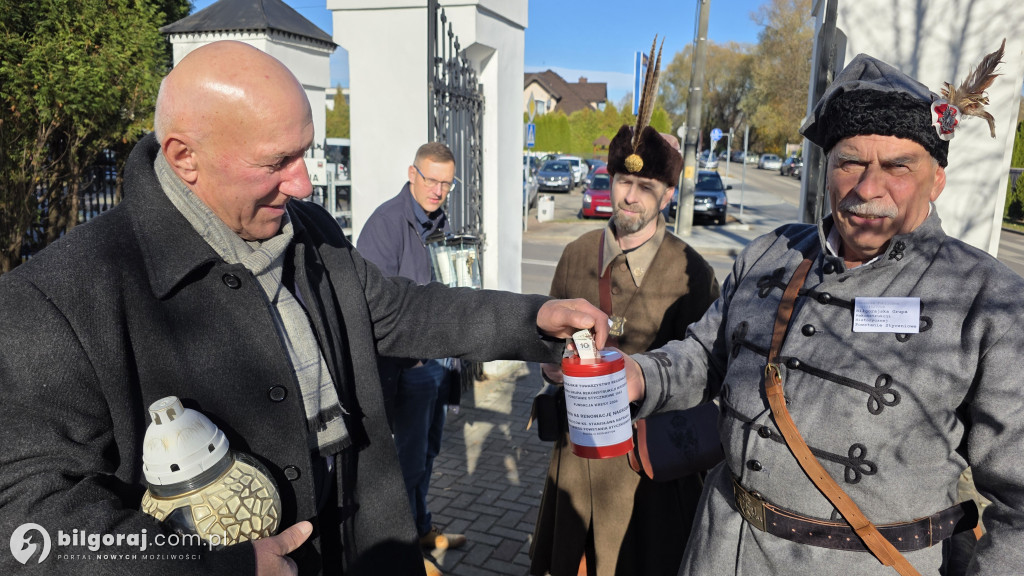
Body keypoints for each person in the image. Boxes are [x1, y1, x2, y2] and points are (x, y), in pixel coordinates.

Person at [0, 41, 607, 576]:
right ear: (185, 157)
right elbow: (28, 526)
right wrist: (212, 567)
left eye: (305, 154)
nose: (304, 184)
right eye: (276, 162)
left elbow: (401, 311)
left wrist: (534, 320)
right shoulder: (59, 300)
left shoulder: (307, 229)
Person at [620, 42, 1024, 575]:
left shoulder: (987, 298)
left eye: (897, 165)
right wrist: (637, 375)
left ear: (937, 179)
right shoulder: (771, 253)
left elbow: (1018, 504)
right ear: (826, 168)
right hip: (722, 550)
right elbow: (703, 357)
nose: (868, 186)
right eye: (850, 162)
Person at [529, 122, 719, 575]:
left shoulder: (692, 273)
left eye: (646, 187)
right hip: (574, 461)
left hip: (646, 477)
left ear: (668, 194)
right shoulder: (576, 253)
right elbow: (546, 348)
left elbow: (707, 374)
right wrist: (553, 369)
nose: (630, 196)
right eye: (622, 181)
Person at [356, 143, 467, 555]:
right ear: (412, 174)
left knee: (431, 450)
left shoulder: (438, 222)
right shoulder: (386, 223)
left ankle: (421, 528)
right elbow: (372, 303)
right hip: (410, 364)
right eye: (431, 179)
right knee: (409, 461)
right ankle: (402, 553)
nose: (438, 190)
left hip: (441, 359)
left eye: (446, 183)